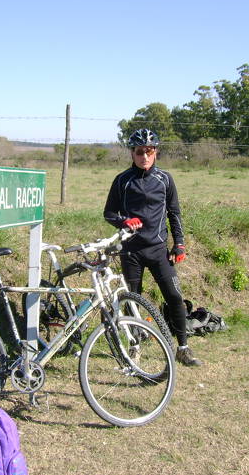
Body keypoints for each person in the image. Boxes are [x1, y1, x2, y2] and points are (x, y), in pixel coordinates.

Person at [103, 128, 202, 366]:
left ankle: (183, 348)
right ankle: (135, 347)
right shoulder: (122, 180)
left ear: (155, 152)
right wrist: (124, 221)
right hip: (131, 251)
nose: (144, 157)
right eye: (139, 152)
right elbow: (108, 213)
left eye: (149, 151)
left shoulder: (165, 179)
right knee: (132, 300)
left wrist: (179, 244)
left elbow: (174, 213)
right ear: (132, 153)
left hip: (158, 250)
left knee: (175, 297)